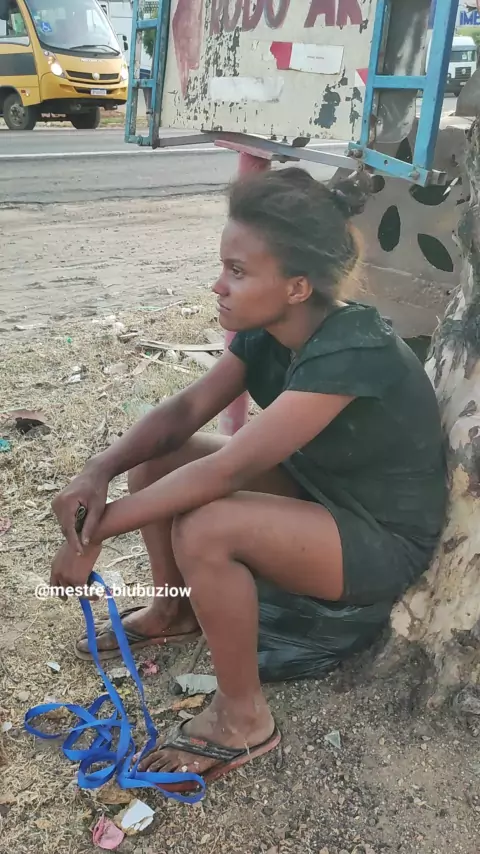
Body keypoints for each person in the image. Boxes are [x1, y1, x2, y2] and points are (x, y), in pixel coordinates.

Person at [50, 167, 447, 790]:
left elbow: (231, 467)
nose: (219, 284)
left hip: (378, 538)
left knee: (207, 527)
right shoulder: (268, 332)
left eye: (237, 271)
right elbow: (184, 411)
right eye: (223, 266)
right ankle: (174, 610)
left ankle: (243, 719)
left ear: (296, 286)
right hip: (321, 494)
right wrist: (97, 473)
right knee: (156, 462)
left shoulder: (354, 347)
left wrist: (92, 532)